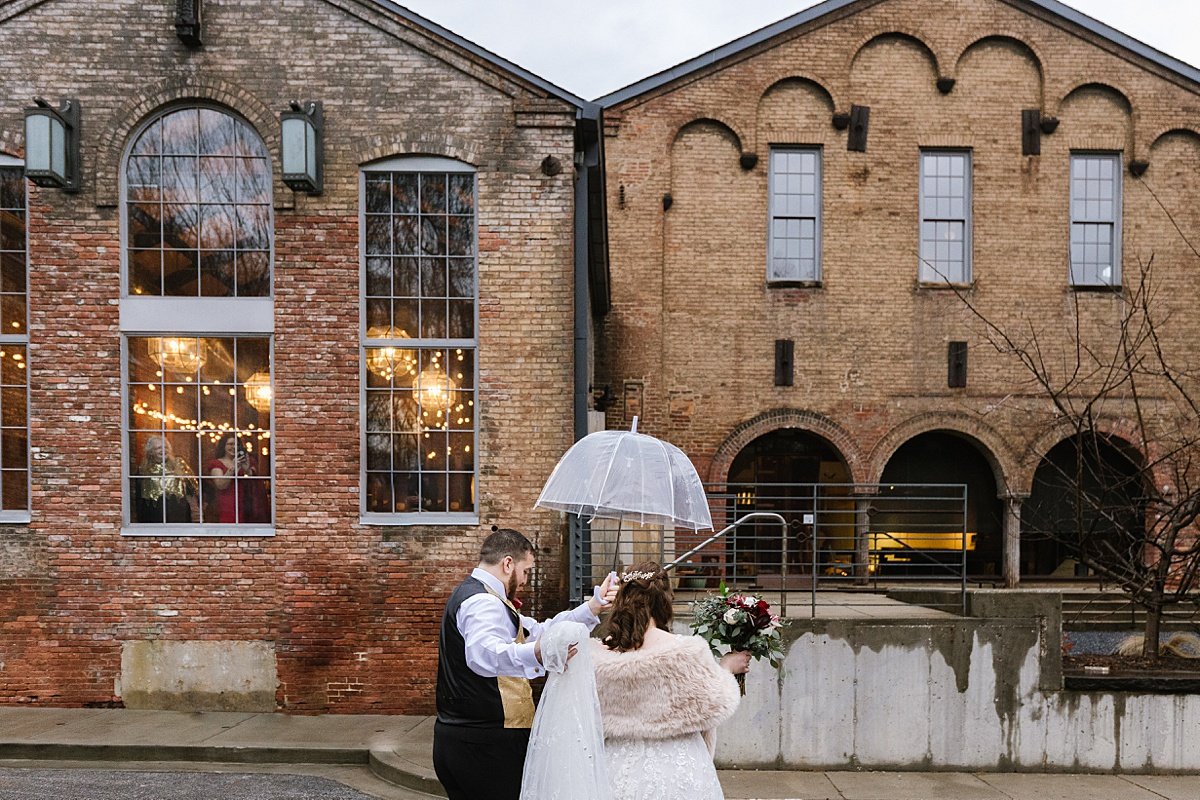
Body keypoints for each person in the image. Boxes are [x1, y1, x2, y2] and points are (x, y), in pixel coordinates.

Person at [434, 526, 618, 800]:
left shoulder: (484, 596)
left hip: (463, 739)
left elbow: (540, 631)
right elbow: (485, 654)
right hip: (485, 746)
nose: (526, 580)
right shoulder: (483, 602)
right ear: (508, 563)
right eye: (526, 570)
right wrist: (538, 655)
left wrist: (593, 606)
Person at [590, 561, 747, 800]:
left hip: (616, 764)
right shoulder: (683, 651)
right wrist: (726, 667)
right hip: (677, 765)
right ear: (663, 599)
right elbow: (716, 702)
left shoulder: (599, 656)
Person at [133, 435, 198, 523]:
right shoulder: (143, 470)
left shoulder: (179, 464)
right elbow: (138, 497)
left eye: (166, 447)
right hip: (153, 513)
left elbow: (193, 489)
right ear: (151, 452)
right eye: (159, 448)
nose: (164, 450)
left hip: (178, 511)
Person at [206, 432, 254, 523]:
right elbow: (221, 485)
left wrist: (247, 469)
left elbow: (252, 482)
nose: (234, 447)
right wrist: (233, 467)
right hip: (225, 504)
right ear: (223, 446)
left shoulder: (241, 462)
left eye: (236, 444)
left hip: (243, 504)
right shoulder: (216, 463)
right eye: (230, 444)